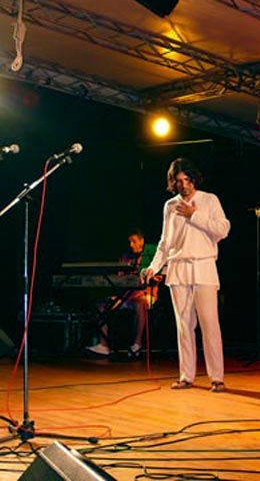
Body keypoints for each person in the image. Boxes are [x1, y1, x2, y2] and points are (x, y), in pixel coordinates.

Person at [142, 158, 230, 393]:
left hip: (203, 266)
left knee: (209, 324)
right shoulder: (170, 205)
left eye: (187, 179)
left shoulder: (209, 200)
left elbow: (223, 229)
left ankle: (217, 378)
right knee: (184, 325)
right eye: (178, 181)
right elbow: (165, 242)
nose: (183, 185)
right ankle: (186, 376)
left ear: (193, 179)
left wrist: (194, 215)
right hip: (178, 268)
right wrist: (153, 267)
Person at [85, 229, 158, 358]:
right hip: (126, 296)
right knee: (102, 306)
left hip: (145, 294)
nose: (131, 245)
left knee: (140, 302)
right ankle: (103, 345)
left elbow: (158, 278)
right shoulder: (125, 257)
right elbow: (120, 279)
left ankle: (137, 344)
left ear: (142, 241)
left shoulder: (150, 256)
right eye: (129, 242)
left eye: (134, 241)